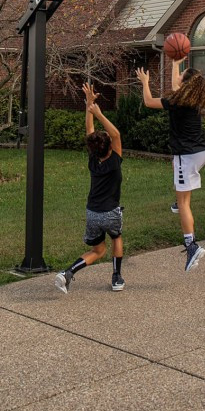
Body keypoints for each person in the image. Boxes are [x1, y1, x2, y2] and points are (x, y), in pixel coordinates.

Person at [136, 59, 205, 271]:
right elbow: (175, 86)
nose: (177, 77)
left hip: (187, 155)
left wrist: (145, 82)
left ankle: (191, 245)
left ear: (186, 83)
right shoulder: (192, 99)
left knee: (184, 201)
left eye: (181, 74)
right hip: (203, 152)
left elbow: (148, 102)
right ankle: (180, 202)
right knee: (178, 173)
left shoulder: (176, 102)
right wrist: (175, 63)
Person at [55, 82, 125, 293]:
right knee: (116, 238)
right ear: (110, 147)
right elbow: (116, 134)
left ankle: (68, 273)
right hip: (110, 212)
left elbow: (89, 130)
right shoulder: (115, 160)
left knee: (98, 250)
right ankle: (117, 278)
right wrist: (98, 113)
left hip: (92, 212)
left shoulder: (93, 159)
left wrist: (89, 104)